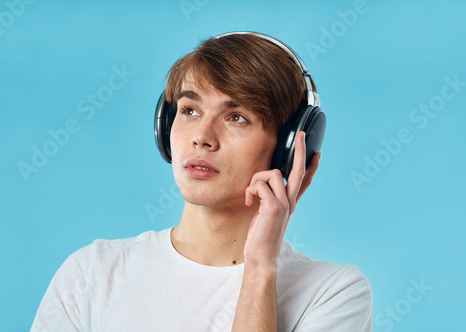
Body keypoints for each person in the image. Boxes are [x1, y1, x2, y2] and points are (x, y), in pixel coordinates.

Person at [31, 31, 372, 331]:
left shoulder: (333, 292)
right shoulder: (90, 274)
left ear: (289, 149)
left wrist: (259, 269)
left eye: (236, 118)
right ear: (165, 125)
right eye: (190, 111)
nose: (202, 137)